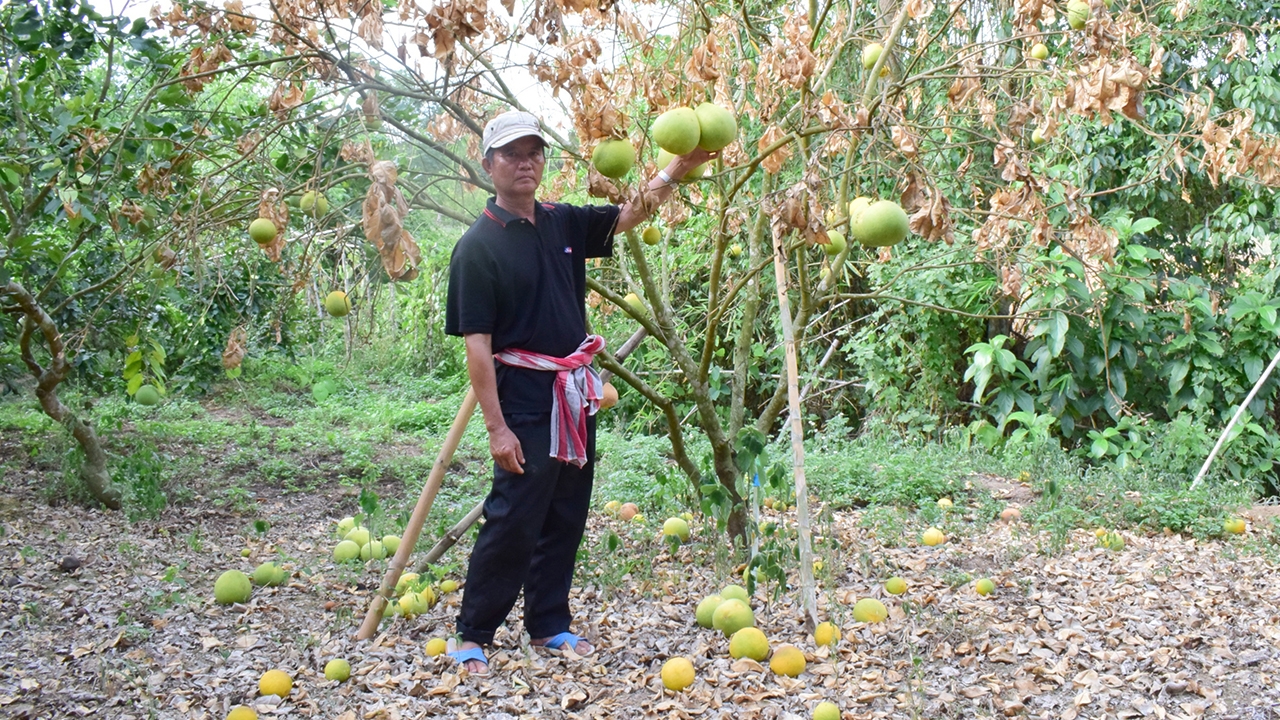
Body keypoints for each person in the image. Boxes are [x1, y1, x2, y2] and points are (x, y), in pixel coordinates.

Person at [443, 110, 714, 675]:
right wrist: (496, 427)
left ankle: (550, 624)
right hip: (522, 395)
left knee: (566, 510)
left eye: (534, 152)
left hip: (573, 392)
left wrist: (679, 166)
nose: (525, 162)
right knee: (515, 512)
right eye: (512, 154)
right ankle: (473, 632)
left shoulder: (562, 222)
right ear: (488, 164)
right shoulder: (477, 247)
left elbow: (628, 214)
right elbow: (478, 347)